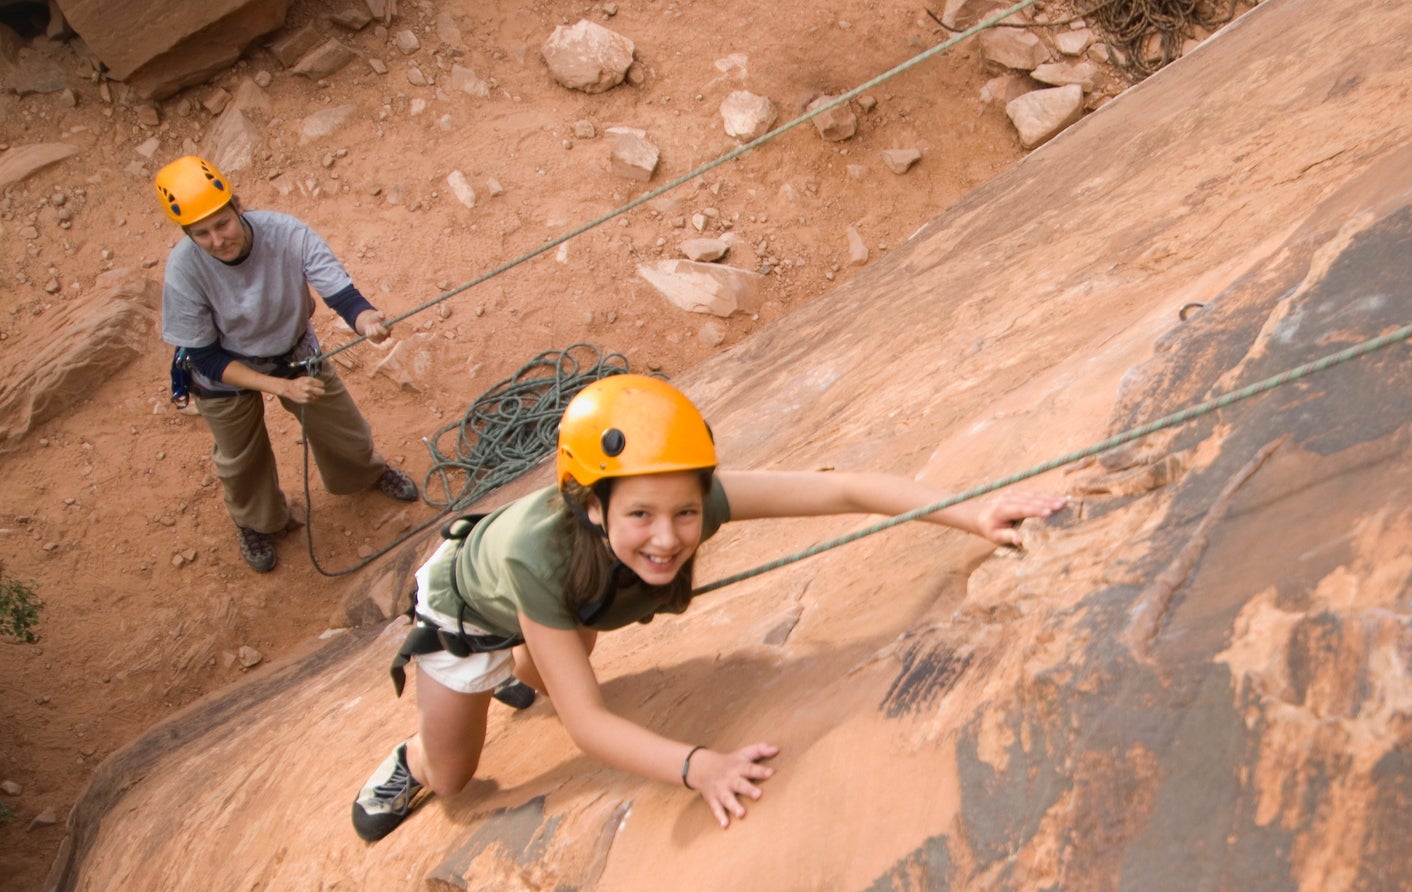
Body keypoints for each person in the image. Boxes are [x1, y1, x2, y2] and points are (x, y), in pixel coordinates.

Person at [350, 373, 1066, 842]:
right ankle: (412, 758)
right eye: (641, 515)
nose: (667, 538)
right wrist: (701, 768)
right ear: (592, 505)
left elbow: (843, 490)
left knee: (559, 657)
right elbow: (589, 725)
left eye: (685, 512)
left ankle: (524, 663)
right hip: (463, 612)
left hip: (556, 592)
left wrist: (974, 514)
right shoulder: (535, 559)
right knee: (457, 775)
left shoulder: (676, 500)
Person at [154, 155, 420, 573]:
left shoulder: (285, 233)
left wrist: (365, 319)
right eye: (201, 234)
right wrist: (278, 386)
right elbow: (204, 354)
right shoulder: (184, 269)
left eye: (221, 224)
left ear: (238, 206)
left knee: (341, 428)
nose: (218, 240)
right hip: (224, 370)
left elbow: (337, 289)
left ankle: (363, 474)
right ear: (188, 234)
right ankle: (257, 521)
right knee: (240, 457)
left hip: (292, 349)